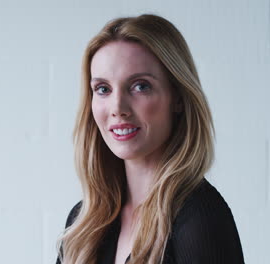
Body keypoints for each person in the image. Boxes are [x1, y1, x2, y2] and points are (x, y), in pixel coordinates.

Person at [56, 14, 245, 264]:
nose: (118, 107)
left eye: (140, 86)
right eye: (103, 89)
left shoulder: (200, 218)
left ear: (177, 98)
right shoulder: (82, 224)